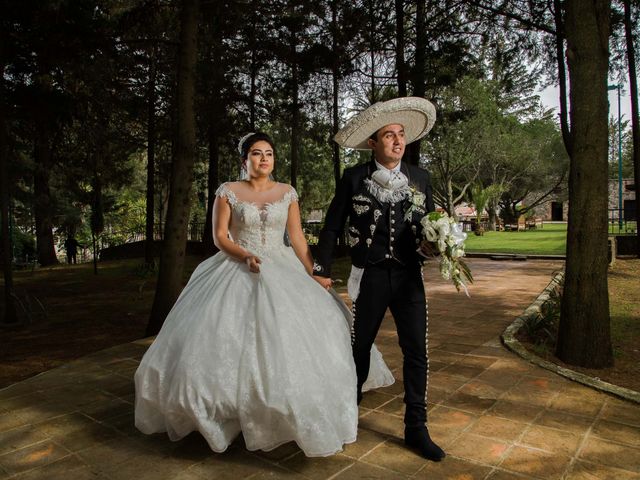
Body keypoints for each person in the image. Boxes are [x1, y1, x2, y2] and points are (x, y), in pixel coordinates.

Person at [134, 132, 392, 457]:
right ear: (245, 160)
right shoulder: (228, 192)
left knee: (302, 333)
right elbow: (219, 236)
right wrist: (244, 255)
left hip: (283, 265)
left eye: (269, 153)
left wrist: (316, 270)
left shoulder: (287, 193)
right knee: (224, 338)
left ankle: (286, 405)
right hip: (237, 265)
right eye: (257, 153)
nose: (264, 159)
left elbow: (297, 238)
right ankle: (225, 411)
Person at [312, 97, 446, 461]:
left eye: (401, 135)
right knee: (358, 349)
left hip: (408, 277)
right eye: (389, 135)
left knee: (416, 351)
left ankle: (416, 428)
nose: (398, 141)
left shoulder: (421, 178)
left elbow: (431, 229)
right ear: (373, 143)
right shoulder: (353, 177)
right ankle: (346, 417)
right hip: (368, 276)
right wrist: (321, 270)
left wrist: (436, 247)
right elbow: (332, 226)